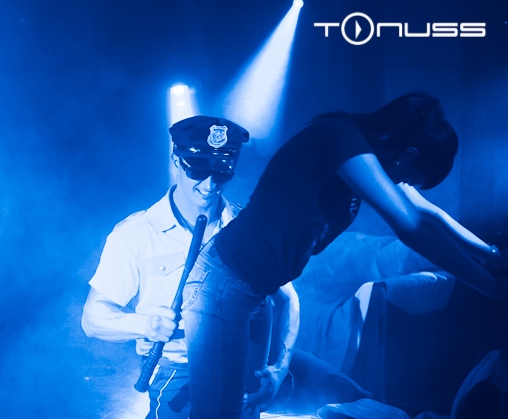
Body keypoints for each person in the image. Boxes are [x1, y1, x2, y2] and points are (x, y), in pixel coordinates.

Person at [180, 92, 508, 418]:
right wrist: (492, 288)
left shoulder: (365, 156)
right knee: (218, 413)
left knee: (249, 403)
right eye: (409, 178)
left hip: (256, 293)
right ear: (408, 154)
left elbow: (427, 213)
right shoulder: (340, 140)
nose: (404, 184)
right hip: (224, 285)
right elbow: (412, 227)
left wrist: (491, 254)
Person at [81, 115, 300, 419]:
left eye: (221, 170)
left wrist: (279, 367)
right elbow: (92, 319)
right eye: (197, 169)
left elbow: (287, 298)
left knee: (347, 397)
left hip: (248, 369)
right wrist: (146, 325)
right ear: (176, 160)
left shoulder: (248, 229)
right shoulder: (136, 234)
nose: (209, 184)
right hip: (180, 374)